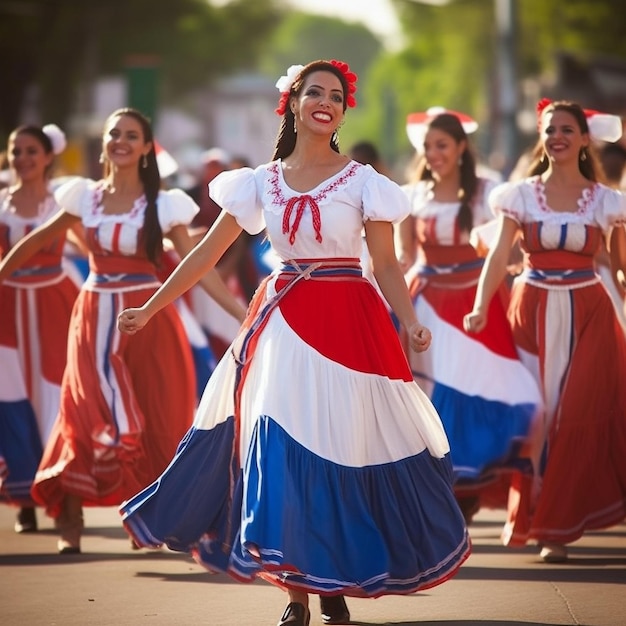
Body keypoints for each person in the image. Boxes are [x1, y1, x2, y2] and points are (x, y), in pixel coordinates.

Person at [117, 60, 470, 626]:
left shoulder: (364, 183)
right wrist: (151, 306)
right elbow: (204, 255)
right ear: (293, 102)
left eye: (335, 95)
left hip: (350, 327)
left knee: (343, 448)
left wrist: (408, 319)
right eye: (314, 92)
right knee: (280, 447)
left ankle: (331, 579)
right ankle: (296, 593)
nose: (324, 101)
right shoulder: (260, 181)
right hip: (281, 325)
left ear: (343, 110)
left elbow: (384, 262)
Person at [0, 108, 246, 555]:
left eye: (132, 135)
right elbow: (34, 241)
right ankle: (69, 520)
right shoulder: (84, 198)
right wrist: (2, 271)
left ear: (147, 147)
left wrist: (240, 312)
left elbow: (199, 267)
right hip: (94, 318)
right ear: (105, 142)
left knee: (154, 417)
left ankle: (146, 517)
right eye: (115, 133)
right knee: (82, 412)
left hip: (149, 322)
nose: (121, 141)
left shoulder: (162, 204)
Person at [464, 99, 626, 563]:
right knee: (537, 418)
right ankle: (534, 514)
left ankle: (556, 527)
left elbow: (618, 265)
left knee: (572, 414)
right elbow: (498, 255)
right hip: (530, 309)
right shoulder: (519, 195)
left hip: (589, 312)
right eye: (550, 129)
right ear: (542, 136)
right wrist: (479, 306)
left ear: (583, 138)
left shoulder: (606, 201)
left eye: (567, 129)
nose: (558, 136)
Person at [397, 110, 542, 523]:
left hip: (473, 303)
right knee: (430, 397)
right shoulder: (412, 195)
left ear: (462, 147)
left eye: (442, 145)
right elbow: (404, 255)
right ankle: (439, 487)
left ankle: (467, 488)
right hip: (426, 302)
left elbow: (501, 253)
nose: (433, 154)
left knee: (483, 391)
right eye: (427, 147)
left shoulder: (487, 193)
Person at [0, 123, 80, 534]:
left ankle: (66, 502)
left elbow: (91, 244)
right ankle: (22, 495)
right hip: (7, 308)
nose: (23, 159)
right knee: (12, 402)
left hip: (56, 302)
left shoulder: (64, 201)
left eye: (32, 151)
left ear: (48, 156)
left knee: (56, 399)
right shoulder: (0, 203)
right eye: (16, 151)